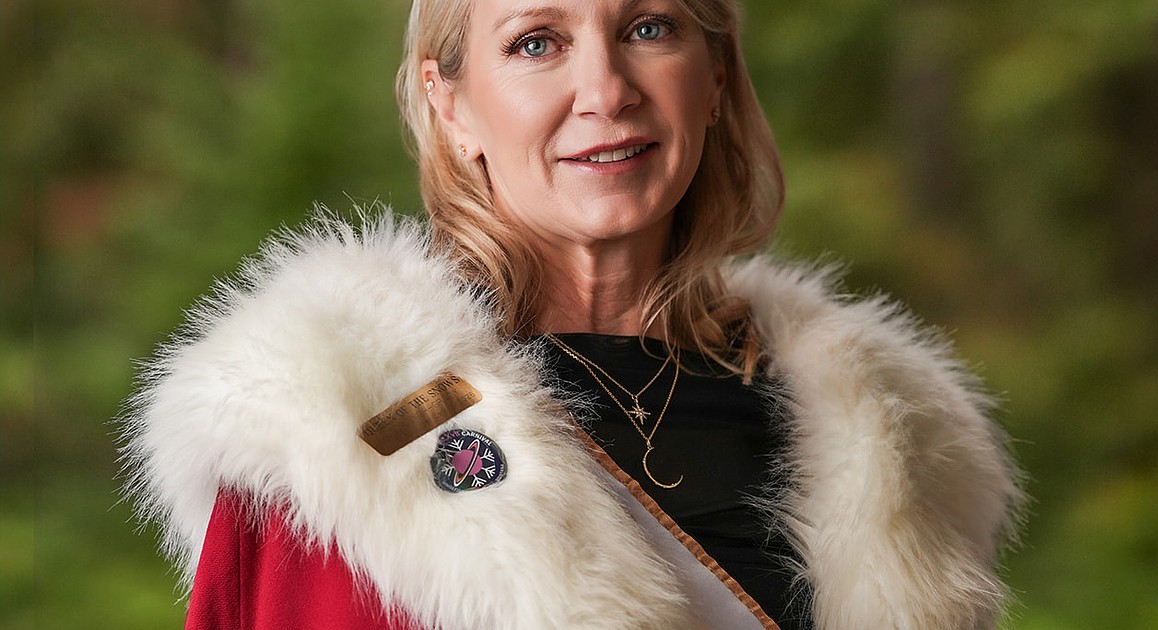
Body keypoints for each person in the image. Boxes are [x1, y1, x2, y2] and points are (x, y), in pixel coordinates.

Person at [120, 0, 1023, 628]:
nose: (606, 89)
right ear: (452, 103)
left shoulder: (884, 437)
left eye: (649, 28)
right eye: (535, 43)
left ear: (714, 75)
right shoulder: (352, 423)